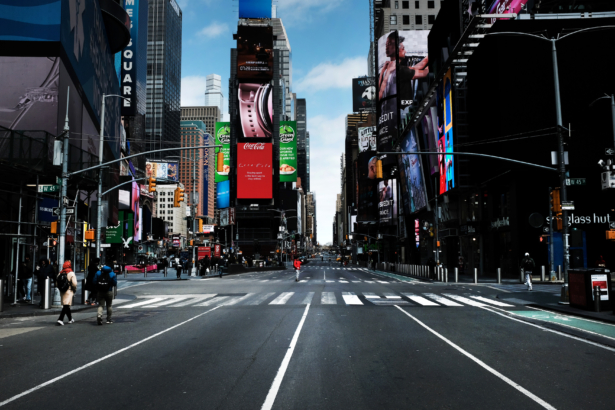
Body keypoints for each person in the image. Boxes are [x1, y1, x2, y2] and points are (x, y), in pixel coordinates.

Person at [56, 261, 77, 326]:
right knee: (66, 305)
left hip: (62, 290)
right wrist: (74, 289)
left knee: (66, 305)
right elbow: (74, 283)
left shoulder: (60, 273)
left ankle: (70, 319)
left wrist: (60, 288)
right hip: (69, 290)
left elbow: (57, 283)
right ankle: (60, 319)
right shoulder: (71, 273)